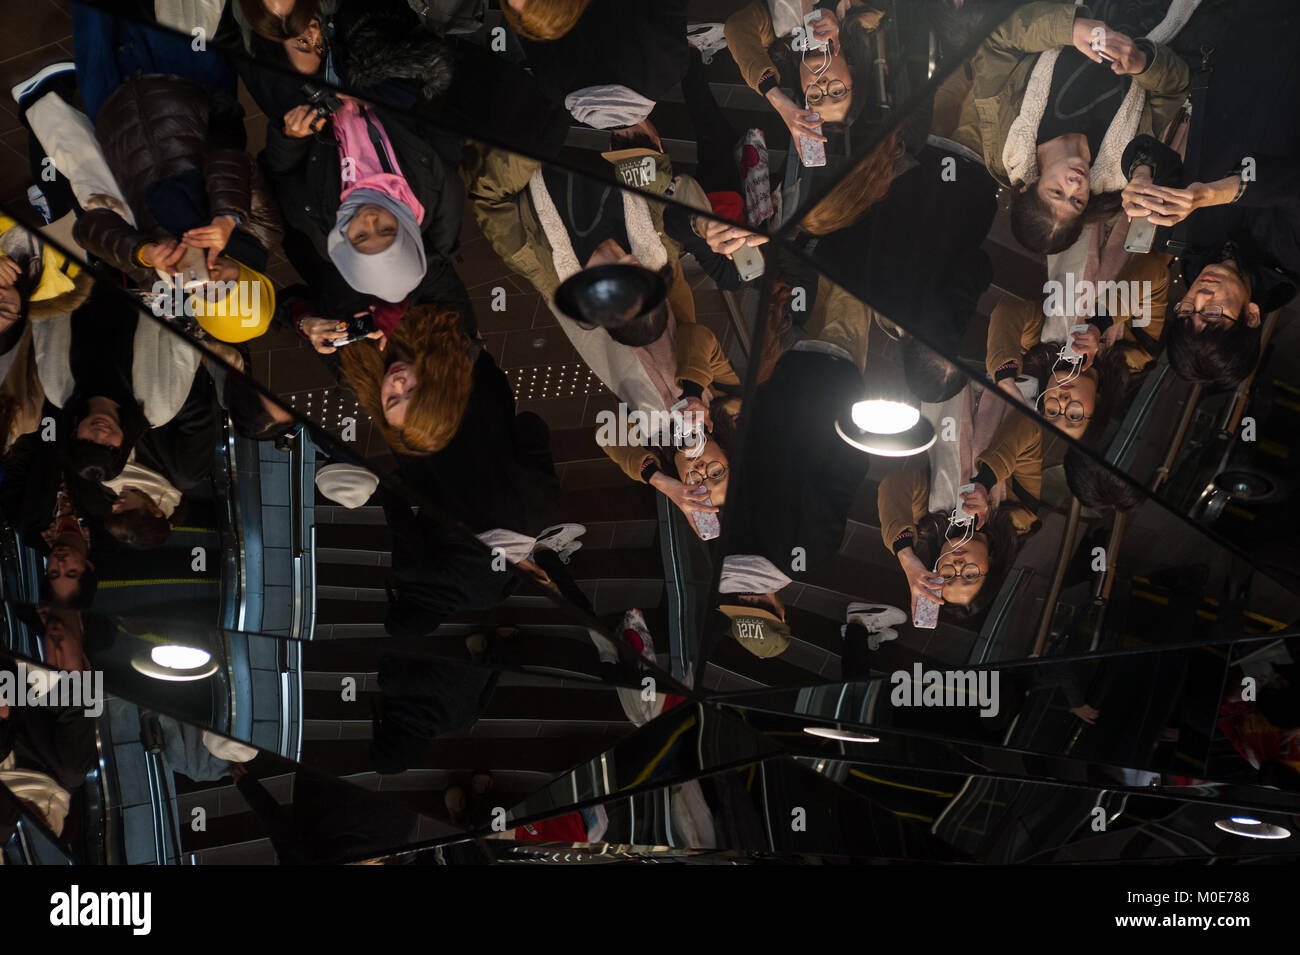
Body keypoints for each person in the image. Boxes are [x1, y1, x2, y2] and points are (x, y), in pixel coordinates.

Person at [1116, 2, 1300, 388]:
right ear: (1250, 316)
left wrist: (1141, 174)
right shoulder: (1291, 261)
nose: (1202, 296)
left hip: (1247, 36)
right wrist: (1220, 193)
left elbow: (1152, 150)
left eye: (1188, 312)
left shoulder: (1189, 240)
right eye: (1214, 314)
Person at [943, 0, 1189, 254]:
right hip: (1158, 13)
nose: (1074, 184)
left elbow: (997, 40)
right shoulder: (1123, 164)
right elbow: (1177, 86)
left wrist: (1070, 28)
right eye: (1077, 201)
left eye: (1056, 191)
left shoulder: (1005, 133)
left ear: (1030, 185)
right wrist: (1142, 63)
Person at [261, 85, 471, 329]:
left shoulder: (316, 218)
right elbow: (439, 110)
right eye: (387, 231)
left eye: (360, 236)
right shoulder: (429, 190)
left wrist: (291, 137)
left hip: (296, 88)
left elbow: (281, 170)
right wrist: (382, 96)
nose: (371, 220)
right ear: (406, 231)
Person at [878, 409, 1042, 620]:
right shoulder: (1021, 513)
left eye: (947, 576)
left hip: (943, 399)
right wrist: (985, 481)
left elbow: (892, 485)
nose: (957, 567)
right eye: (970, 575)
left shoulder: (929, 519)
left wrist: (906, 555)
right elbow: (1028, 425)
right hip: (1002, 387)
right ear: (991, 565)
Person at [725, 0, 885, 152]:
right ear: (853, 73)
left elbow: (736, 27)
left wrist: (775, 97)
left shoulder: (779, 33)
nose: (822, 86)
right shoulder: (868, 15)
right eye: (837, 93)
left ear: (802, 88)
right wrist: (830, 7)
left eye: (814, 96)